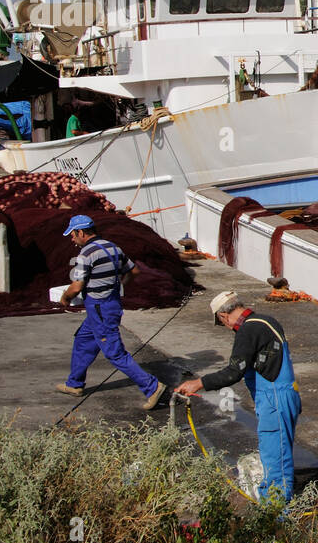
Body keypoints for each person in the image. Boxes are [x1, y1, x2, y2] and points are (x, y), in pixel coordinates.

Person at [175, 292, 303, 500]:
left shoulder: (248, 330)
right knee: (280, 452)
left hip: (274, 399)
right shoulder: (265, 321)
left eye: (222, 323)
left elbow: (234, 371)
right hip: (285, 394)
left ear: (223, 316)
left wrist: (198, 383)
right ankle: (279, 502)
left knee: (275, 458)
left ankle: (276, 512)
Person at [56, 214, 166, 410]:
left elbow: (76, 286)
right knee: (83, 340)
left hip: (99, 309)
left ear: (81, 232)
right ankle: (74, 384)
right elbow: (133, 272)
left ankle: (152, 387)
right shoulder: (113, 247)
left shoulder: (85, 255)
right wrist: (117, 287)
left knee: (115, 353)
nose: (72, 239)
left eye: (72, 235)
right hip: (111, 304)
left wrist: (65, 298)